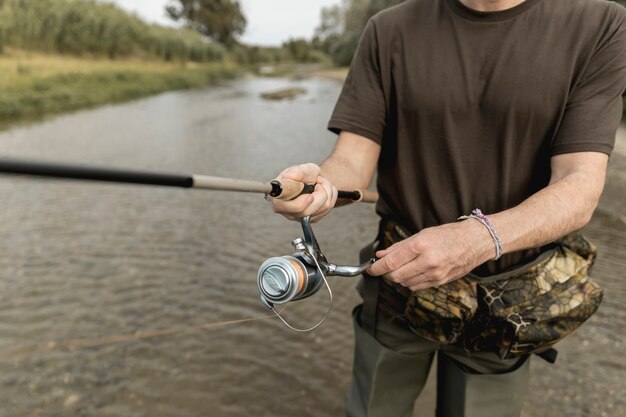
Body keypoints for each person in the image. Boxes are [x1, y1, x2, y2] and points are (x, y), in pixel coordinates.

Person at [271, 0, 626, 415]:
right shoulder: (388, 29)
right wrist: (323, 187)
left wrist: (478, 239)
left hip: (507, 303)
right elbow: (352, 159)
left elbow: (579, 184)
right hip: (396, 286)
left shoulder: (601, 23)